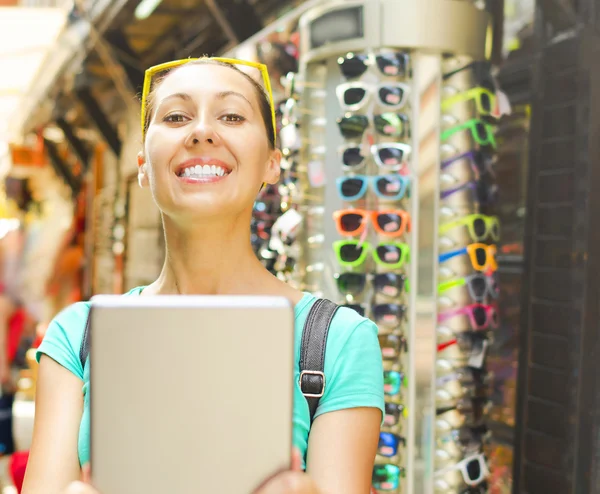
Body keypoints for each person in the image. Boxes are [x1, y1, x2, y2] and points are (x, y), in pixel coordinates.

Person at [22, 57, 385, 494]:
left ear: (272, 163)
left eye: (231, 115)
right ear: (142, 164)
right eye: (176, 116)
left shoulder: (336, 341)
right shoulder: (77, 336)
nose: (201, 132)